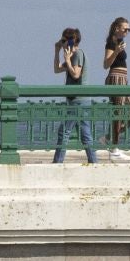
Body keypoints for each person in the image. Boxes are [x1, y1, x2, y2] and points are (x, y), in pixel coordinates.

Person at [53, 27, 99, 165]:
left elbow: (76, 74)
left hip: (78, 99)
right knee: (85, 133)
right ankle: (93, 161)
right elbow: (56, 70)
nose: (63, 44)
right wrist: (56, 51)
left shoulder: (78, 54)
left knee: (64, 131)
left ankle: (58, 162)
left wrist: (67, 59)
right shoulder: (72, 56)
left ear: (72, 41)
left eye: (64, 41)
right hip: (78, 99)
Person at [102, 17, 130, 161]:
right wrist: (115, 51)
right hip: (116, 77)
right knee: (119, 112)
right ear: (117, 28)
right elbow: (106, 64)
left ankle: (109, 138)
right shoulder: (111, 42)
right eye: (125, 29)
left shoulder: (120, 42)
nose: (127, 31)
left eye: (129, 29)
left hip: (123, 78)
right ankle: (114, 148)